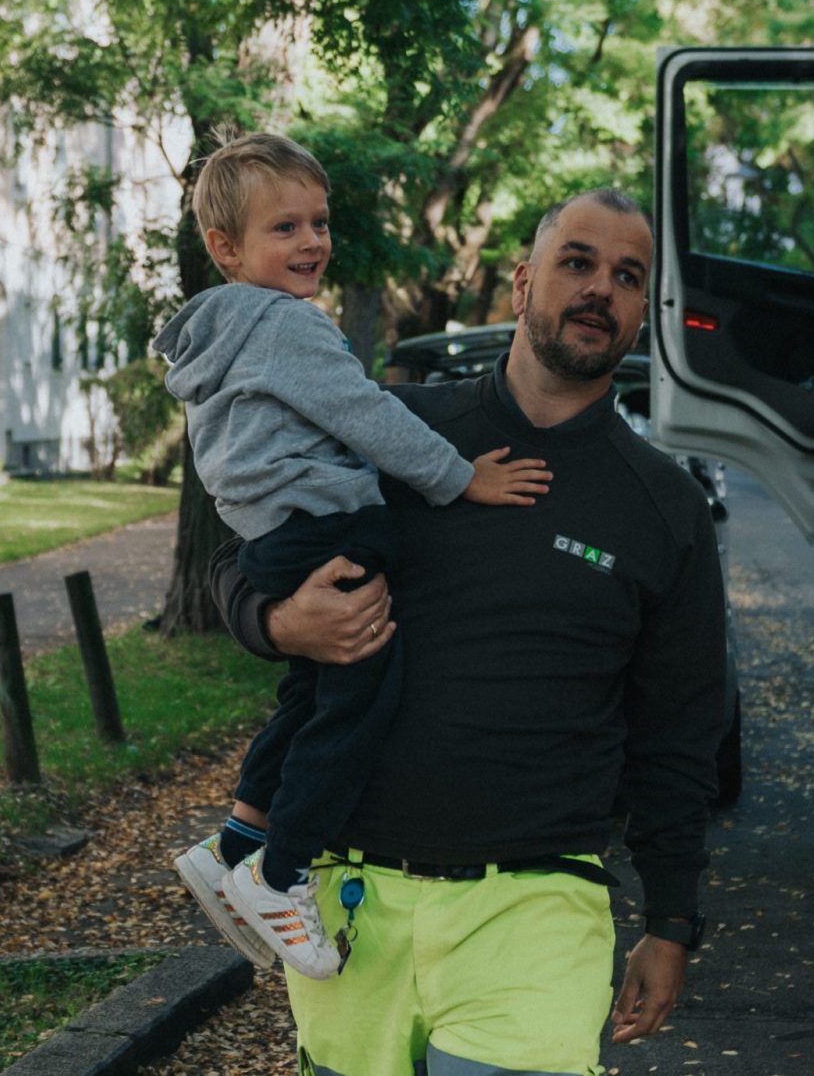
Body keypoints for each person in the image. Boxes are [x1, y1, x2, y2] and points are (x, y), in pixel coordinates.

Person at [209, 189, 727, 1076]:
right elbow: (241, 559)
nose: (600, 288)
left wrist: (671, 921)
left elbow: (679, 731)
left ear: (644, 311)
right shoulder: (390, 427)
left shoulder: (663, 507)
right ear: (523, 281)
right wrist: (281, 621)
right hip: (353, 904)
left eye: (627, 277)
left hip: (536, 905)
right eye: (577, 263)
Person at [153, 132, 551, 980]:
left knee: (311, 695)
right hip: (325, 527)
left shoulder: (222, 332)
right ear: (226, 249)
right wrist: (458, 478)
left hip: (277, 535)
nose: (311, 243)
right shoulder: (287, 327)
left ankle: (235, 844)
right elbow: (366, 413)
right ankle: (280, 872)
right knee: (363, 699)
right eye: (284, 228)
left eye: (319, 223)